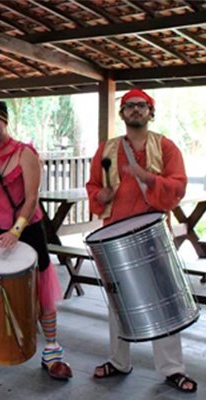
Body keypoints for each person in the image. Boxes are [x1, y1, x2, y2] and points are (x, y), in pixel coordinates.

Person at [86, 89, 197, 393]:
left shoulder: (165, 147)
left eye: (142, 106)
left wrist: (148, 178)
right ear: (122, 113)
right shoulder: (106, 149)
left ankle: (172, 369)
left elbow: (178, 186)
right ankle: (119, 361)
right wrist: (101, 195)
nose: (136, 110)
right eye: (130, 106)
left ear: (151, 112)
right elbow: (93, 186)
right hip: (115, 236)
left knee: (165, 300)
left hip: (153, 236)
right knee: (117, 302)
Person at [0, 99, 72, 380]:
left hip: (28, 229)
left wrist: (16, 230)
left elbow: (32, 198)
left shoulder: (25, 154)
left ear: (4, 122)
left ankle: (52, 351)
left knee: (41, 290)